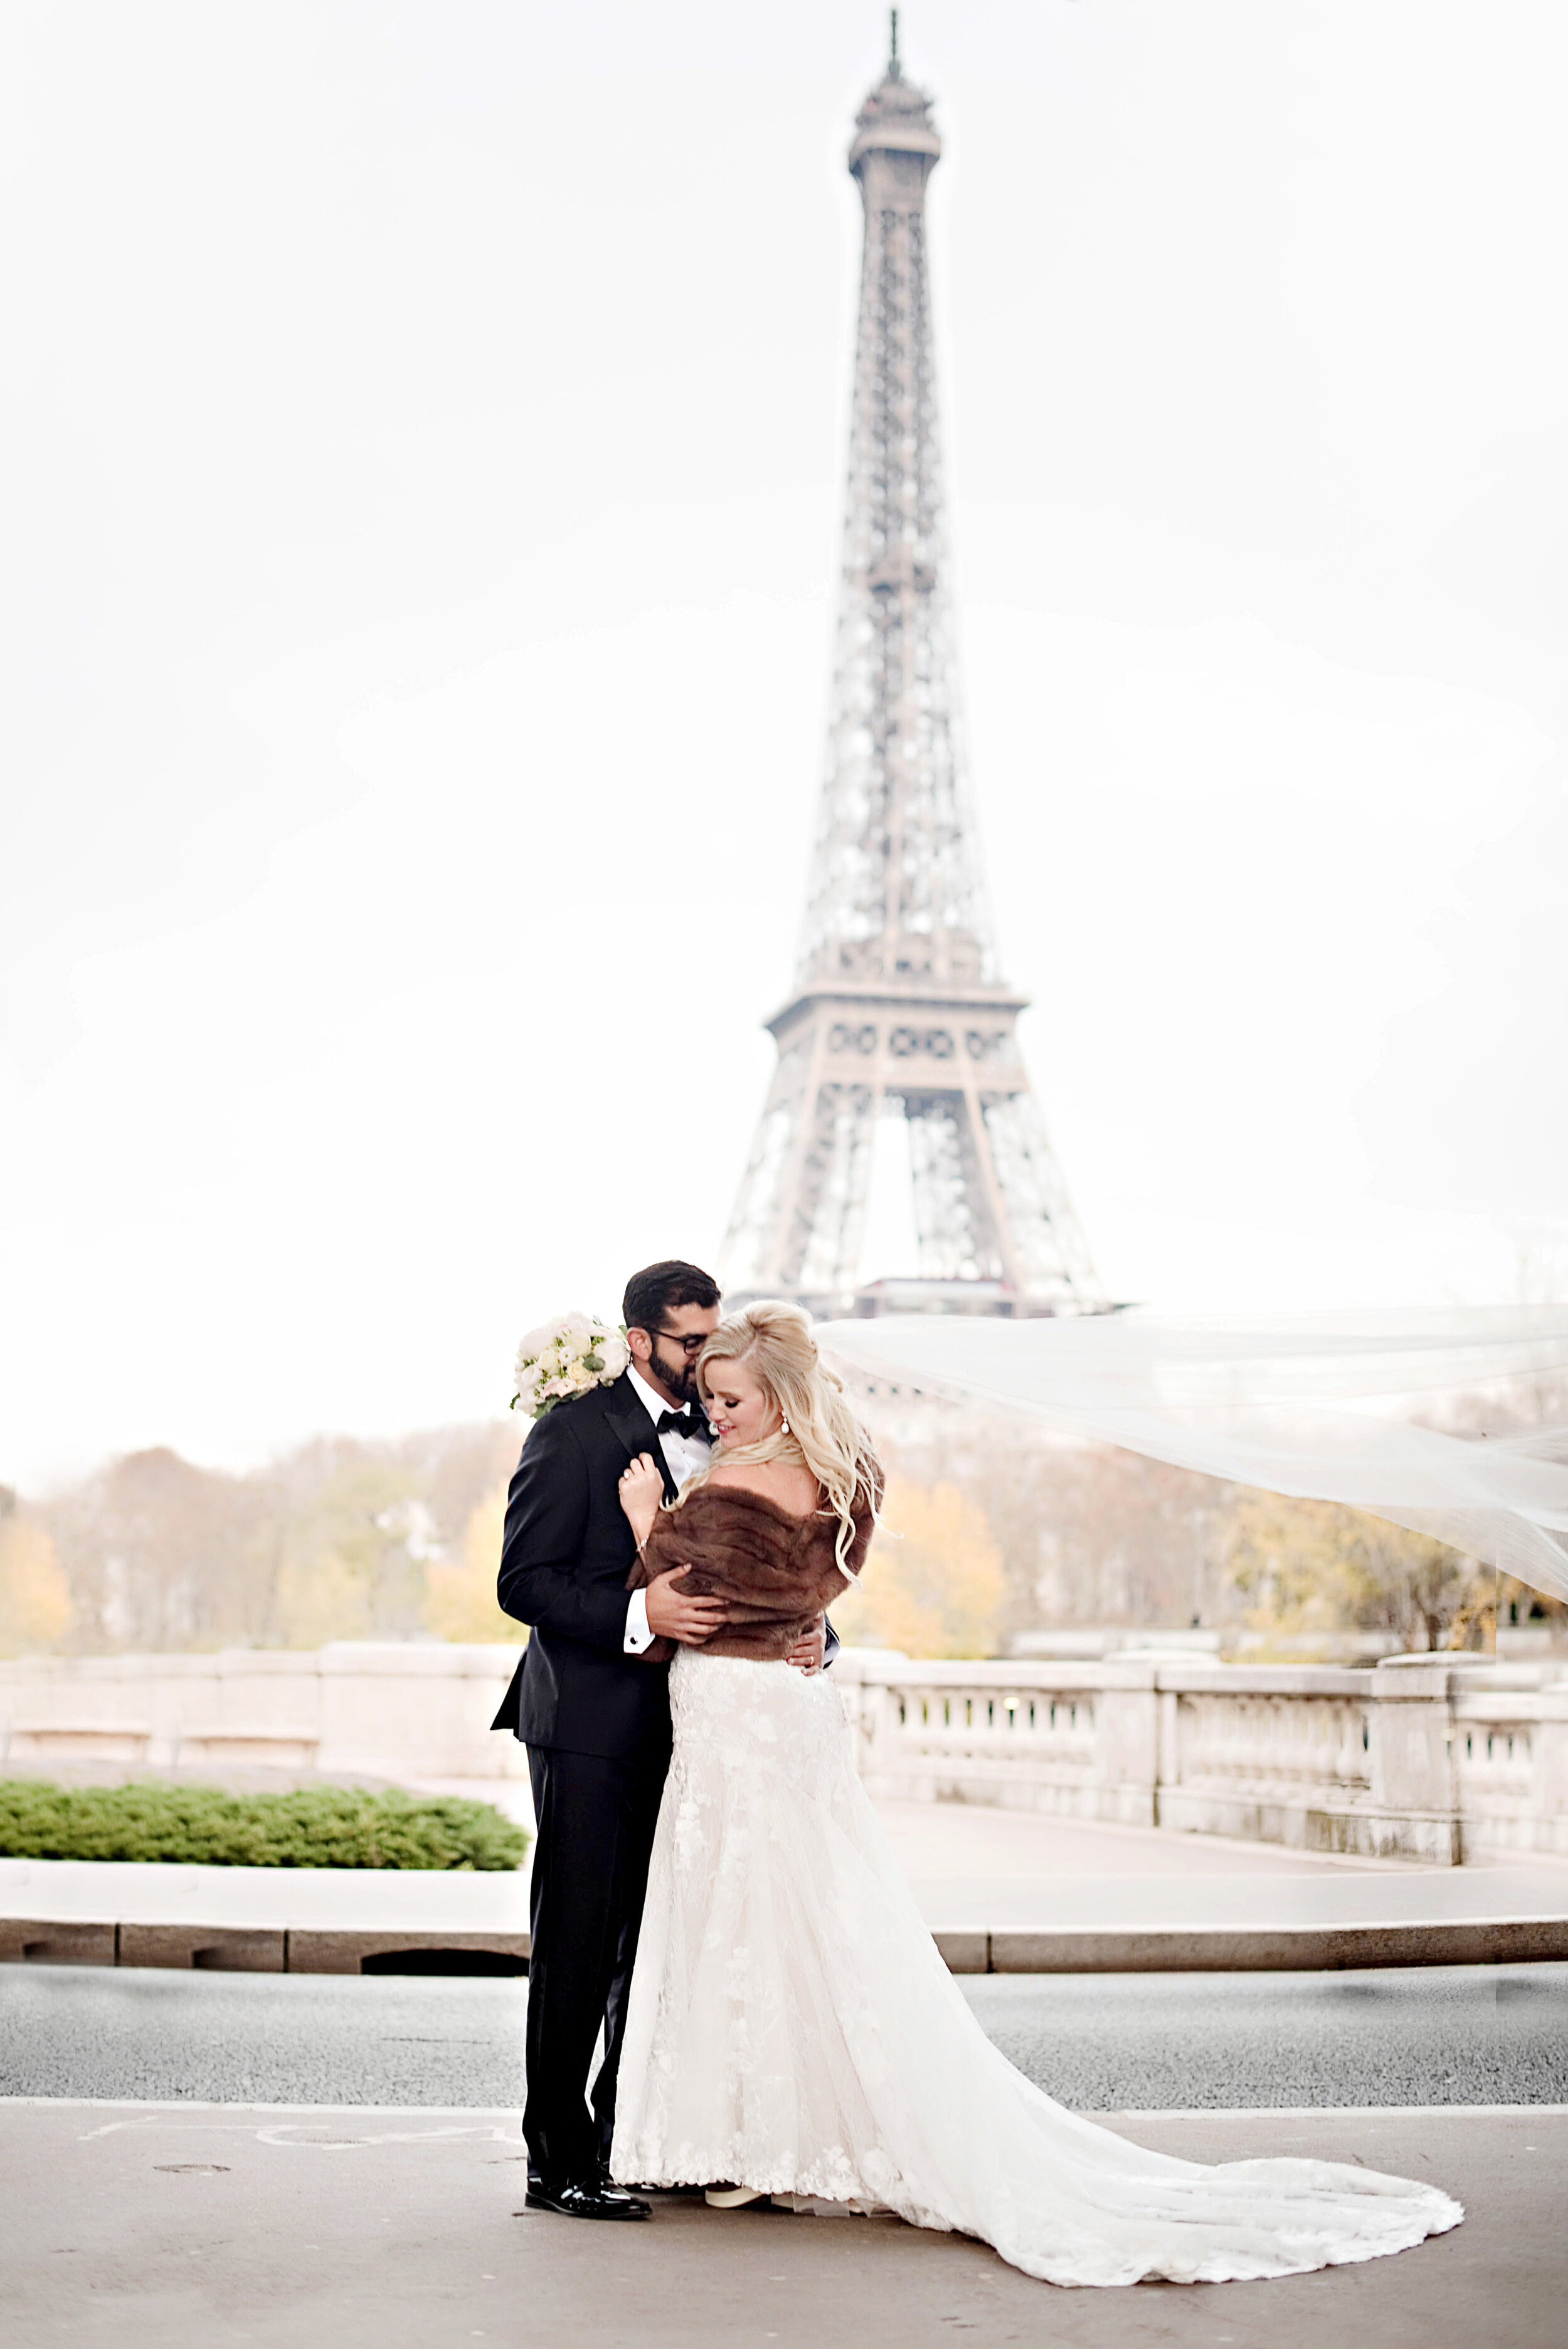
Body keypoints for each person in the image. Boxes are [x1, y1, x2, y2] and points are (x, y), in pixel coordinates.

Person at [607, 1300, 1464, 2288]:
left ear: (785, 1396)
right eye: (711, 1397)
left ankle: (748, 2135)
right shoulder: (850, 1482)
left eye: (732, 1398)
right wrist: (802, 1622)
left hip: (734, 1715)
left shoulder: (721, 1495)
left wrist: (646, 1519)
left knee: (738, 1913)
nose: (717, 1413)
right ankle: (791, 2127)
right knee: (819, 1915)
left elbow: (670, 1595)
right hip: (797, 1710)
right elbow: (811, 1593)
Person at [491, 1261, 829, 2222]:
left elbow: (782, 1562)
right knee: (580, 1944)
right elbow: (525, 1581)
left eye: (714, 1337)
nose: (706, 1356)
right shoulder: (572, 1429)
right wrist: (640, 1611)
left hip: (704, 1728)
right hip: (593, 1727)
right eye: (689, 1341)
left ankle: (627, 2138)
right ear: (638, 1340)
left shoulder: (734, 1432)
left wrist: (814, 1632)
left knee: (662, 1947)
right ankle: (555, 2162)